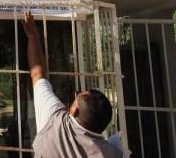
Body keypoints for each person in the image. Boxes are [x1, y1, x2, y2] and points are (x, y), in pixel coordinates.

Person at [21, 10, 123, 157]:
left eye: (77, 96)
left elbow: (38, 74)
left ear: (75, 111)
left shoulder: (55, 123)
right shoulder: (113, 154)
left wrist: (33, 36)